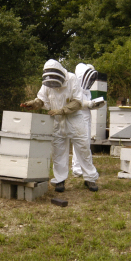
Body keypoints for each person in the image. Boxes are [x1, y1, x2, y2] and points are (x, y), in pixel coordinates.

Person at [21, 60, 99, 192]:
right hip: (57, 121)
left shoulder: (72, 79)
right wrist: (33, 103)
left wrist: (62, 110)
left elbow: (78, 102)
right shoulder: (47, 83)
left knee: (83, 149)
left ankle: (90, 179)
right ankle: (60, 180)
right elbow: (41, 99)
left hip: (74, 119)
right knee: (58, 151)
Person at [71, 63, 105, 178]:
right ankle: (77, 168)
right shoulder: (74, 88)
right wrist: (88, 104)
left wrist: (95, 105)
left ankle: (84, 167)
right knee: (79, 143)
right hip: (78, 117)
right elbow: (76, 103)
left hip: (86, 117)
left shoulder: (86, 90)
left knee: (85, 143)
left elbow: (86, 103)